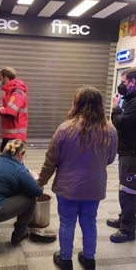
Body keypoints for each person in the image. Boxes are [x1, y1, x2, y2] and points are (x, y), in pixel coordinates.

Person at [37, 86, 118, 270]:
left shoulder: (65, 128)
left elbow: (51, 160)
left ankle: (66, 259)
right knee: (89, 221)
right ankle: (89, 259)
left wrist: (40, 182)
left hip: (68, 187)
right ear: (99, 105)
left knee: (67, 222)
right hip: (94, 187)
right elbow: (111, 158)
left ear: (77, 103)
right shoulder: (110, 130)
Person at [106, 67, 136, 243]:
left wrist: (115, 108)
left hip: (132, 155)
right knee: (128, 189)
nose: (121, 86)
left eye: (124, 82)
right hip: (128, 152)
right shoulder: (131, 99)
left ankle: (128, 229)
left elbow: (122, 124)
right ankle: (125, 218)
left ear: (134, 82)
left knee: (128, 191)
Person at [0, 67, 28, 152]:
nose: (0, 82)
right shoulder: (10, 94)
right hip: (10, 137)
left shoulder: (16, 94)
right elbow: (8, 112)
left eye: (0, 79)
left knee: (11, 163)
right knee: (9, 162)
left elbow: (10, 113)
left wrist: (0, 109)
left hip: (15, 138)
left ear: (6, 78)